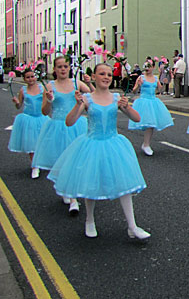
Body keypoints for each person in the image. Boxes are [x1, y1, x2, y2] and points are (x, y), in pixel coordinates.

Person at [48, 63, 150, 240]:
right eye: (102, 74)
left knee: (124, 184)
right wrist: (77, 105)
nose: (106, 77)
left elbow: (137, 119)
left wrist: (127, 107)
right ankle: (90, 220)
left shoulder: (117, 98)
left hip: (114, 145)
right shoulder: (87, 98)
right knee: (91, 181)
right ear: (94, 77)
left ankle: (132, 226)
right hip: (92, 144)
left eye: (109, 75)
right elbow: (69, 122)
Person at [32, 56, 92, 215]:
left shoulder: (76, 83)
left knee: (74, 161)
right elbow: (44, 111)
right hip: (57, 126)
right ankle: (68, 192)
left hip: (75, 125)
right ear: (55, 69)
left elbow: (93, 96)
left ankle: (72, 199)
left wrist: (90, 82)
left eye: (65, 66)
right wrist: (50, 100)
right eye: (59, 67)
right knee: (62, 160)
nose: (63, 69)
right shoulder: (50, 86)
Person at [128, 59, 174, 155]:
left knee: (151, 124)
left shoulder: (156, 78)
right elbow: (134, 91)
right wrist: (138, 86)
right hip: (143, 102)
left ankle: (146, 144)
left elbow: (159, 89)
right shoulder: (141, 77)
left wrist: (165, 83)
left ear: (153, 67)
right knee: (147, 123)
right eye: (146, 66)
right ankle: (146, 144)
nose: (147, 68)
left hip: (153, 101)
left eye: (149, 66)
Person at [8, 68, 48, 178]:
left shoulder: (42, 88)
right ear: (24, 79)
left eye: (32, 76)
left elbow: (46, 103)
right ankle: (34, 166)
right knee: (31, 144)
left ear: (35, 77)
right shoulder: (23, 90)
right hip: (29, 119)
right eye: (28, 77)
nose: (31, 79)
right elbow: (19, 106)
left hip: (41, 118)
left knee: (42, 142)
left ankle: (42, 162)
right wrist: (16, 103)